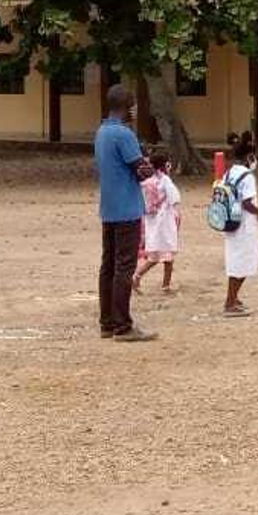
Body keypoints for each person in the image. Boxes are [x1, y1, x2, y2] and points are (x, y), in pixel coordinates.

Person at [94, 85, 157, 341]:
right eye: (132, 105)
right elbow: (141, 170)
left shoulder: (102, 132)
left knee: (107, 266)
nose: (135, 110)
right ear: (125, 106)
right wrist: (149, 164)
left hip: (109, 208)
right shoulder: (124, 134)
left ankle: (107, 322)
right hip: (127, 208)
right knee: (124, 267)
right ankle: (123, 325)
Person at [222, 131, 258, 317]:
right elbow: (247, 202)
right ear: (249, 156)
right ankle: (230, 301)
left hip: (230, 222)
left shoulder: (229, 172)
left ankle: (234, 297)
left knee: (236, 261)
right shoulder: (247, 176)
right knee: (244, 262)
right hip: (244, 225)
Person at [134, 151, 182, 295]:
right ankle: (165, 285)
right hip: (165, 222)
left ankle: (136, 276)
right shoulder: (165, 180)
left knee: (154, 256)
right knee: (168, 255)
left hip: (152, 222)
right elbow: (175, 198)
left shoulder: (147, 182)